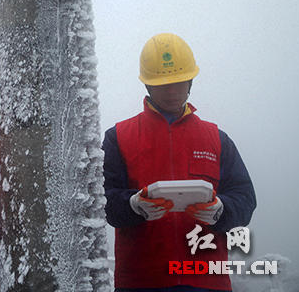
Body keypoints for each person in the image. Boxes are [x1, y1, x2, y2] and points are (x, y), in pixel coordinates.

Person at [103, 33, 256, 292]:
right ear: (148, 86)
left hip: (207, 281)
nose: (173, 91)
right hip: (142, 282)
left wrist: (221, 210)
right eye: (163, 84)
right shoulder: (118, 137)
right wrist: (134, 206)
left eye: (179, 82)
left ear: (190, 81)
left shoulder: (217, 139)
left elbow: (245, 198)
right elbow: (102, 203)